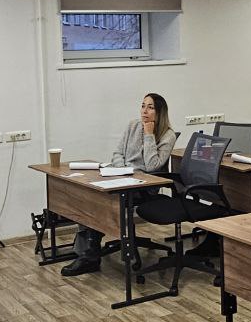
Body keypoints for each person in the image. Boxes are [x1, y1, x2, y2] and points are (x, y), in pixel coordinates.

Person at [60, 93, 176, 276]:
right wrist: (123, 170)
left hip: (143, 186)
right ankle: (87, 251)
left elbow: (152, 165)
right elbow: (117, 153)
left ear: (160, 112)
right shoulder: (132, 125)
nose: (144, 111)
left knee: (100, 201)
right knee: (90, 195)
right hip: (122, 176)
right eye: (143, 106)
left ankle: (90, 255)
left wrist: (149, 135)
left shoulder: (167, 135)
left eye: (150, 107)